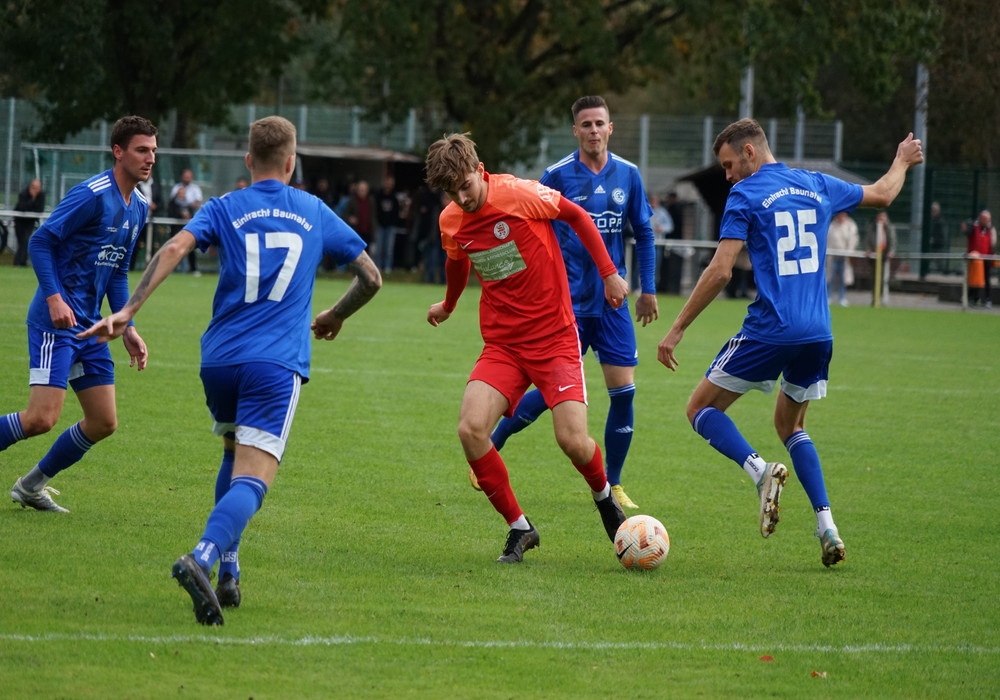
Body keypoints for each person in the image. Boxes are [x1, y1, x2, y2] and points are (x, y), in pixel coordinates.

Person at [80, 115, 382, 625]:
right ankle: (202, 557)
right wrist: (335, 314)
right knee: (256, 478)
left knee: (231, 452)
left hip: (218, 360)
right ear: (292, 163)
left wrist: (129, 310)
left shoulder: (224, 206)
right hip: (274, 363)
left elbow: (175, 247)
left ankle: (230, 566)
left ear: (247, 161)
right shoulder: (313, 210)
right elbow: (371, 277)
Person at [657, 118, 923, 567]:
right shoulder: (816, 184)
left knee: (699, 409)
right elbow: (883, 193)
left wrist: (678, 327)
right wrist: (901, 160)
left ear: (750, 151)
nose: (726, 177)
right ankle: (828, 527)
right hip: (818, 333)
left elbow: (722, 270)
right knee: (791, 427)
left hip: (771, 329)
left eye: (727, 165)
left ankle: (761, 473)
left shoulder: (746, 194)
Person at [424, 132, 629, 564]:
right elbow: (456, 263)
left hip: (554, 337)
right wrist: (448, 304)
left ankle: (604, 495)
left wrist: (609, 272)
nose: (463, 198)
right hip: (503, 343)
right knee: (470, 428)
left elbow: (576, 215)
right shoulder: (452, 221)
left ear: (480, 171)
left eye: (466, 186)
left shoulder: (518, 193)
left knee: (572, 440)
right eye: (452, 192)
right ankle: (520, 528)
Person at [488, 96, 659, 510]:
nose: (594, 131)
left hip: (614, 304)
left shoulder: (630, 176)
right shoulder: (557, 175)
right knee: (551, 393)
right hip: (566, 304)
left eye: (600, 123)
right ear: (576, 131)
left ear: (611, 128)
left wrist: (647, 288)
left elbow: (644, 233)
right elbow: (530, 231)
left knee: (624, 393)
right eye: (586, 125)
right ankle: (495, 441)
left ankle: (614, 483)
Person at [2, 116, 157, 513]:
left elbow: (117, 270)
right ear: (118, 152)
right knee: (40, 419)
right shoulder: (91, 195)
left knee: (103, 421)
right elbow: (40, 241)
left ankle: (30, 486)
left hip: (91, 327)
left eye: (154, 150)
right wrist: (54, 298)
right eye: (142, 150)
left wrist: (127, 325)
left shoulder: (138, 206)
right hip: (56, 323)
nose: (150, 158)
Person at [169, 168, 204, 275]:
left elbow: (198, 203)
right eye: (185, 176)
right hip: (176, 224)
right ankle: (171, 268)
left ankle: (193, 268)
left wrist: (188, 207)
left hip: (190, 223)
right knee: (174, 245)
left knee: (191, 245)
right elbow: (172, 204)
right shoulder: (176, 188)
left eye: (189, 176)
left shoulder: (195, 189)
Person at [131, 169, 163, 270]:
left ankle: (151, 269)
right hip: (138, 220)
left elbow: (162, 203)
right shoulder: (135, 185)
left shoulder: (156, 186)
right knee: (135, 244)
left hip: (151, 221)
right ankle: (131, 267)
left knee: (152, 245)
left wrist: (155, 206)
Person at [826, 211, 859, 306]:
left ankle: (842, 297)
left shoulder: (850, 225)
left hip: (845, 257)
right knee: (830, 277)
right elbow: (828, 239)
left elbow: (853, 239)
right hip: (833, 256)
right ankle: (829, 296)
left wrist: (849, 252)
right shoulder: (832, 225)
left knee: (843, 278)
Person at [965, 209, 997, 308]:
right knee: (974, 280)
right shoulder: (974, 227)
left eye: (988, 219)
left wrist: (992, 255)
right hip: (975, 258)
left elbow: (991, 244)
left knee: (987, 280)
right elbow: (967, 233)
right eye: (985, 219)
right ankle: (972, 298)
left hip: (986, 257)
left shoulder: (990, 229)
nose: (986, 221)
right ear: (981, 218)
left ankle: (987, 299)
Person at [864, 210, 896, 305]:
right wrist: (868, 250)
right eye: (879, 217)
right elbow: (867, 240)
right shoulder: (872, 228)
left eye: (883, 217)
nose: (881, 219)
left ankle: (883, 298)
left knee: (883, 279)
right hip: (874, 257)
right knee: (873, 278)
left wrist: (890, 252)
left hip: (885, 257)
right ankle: (875, 298)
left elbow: (893, 241)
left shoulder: (890, 228)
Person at [13, 179, 45, 267]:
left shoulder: (41, 196)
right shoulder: (24, 194)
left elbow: (39, 210)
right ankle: (20, 261)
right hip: (19, 221)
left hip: (30, 221)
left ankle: (20, 262)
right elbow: (22, 207)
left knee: (25, 240)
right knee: (21, 241)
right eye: (34, 187)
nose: (35, 189)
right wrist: (32, 198)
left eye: (37, 187)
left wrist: (34, 198)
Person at [659, 191, 686, 295]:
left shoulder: (674, 209)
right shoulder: (672, 209)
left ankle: (669, 287)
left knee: (672, 267)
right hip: (670, 242)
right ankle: (666, 287)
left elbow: (672, 228)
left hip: (673, 242)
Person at [374, 174, 401, 274]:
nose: (389, 185)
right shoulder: (379, 195)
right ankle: (378, 267)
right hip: (381, 225)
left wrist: (394, 222)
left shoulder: (394, 196)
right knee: (379, 247)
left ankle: (387, 268)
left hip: (391, 226)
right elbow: (376, 210)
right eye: (388, 182)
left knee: (389, 248)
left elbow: (397, 211)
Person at [649, 192, 674, 291]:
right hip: (644, 243)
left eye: (655, 202)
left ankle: (653, 288)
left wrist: (662, 228)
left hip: (657, 243)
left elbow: (670, 226)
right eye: (651, 201)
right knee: (640, 266)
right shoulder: (644, 211)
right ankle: (638, 287)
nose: (653, 203)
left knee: (655, 267)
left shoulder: (663, 213)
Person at [344, 179, 376, 254]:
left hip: (368, 232)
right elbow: (345, 214)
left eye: (363, 190)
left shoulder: (371, 201)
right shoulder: (352, 201)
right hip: (357, 231)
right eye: (360, 190)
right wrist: (350, 218)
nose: (361, 192)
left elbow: (373, 216)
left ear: (367, 191)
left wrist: (374, 230)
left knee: (367, 254)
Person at [927, 201, 949, 274]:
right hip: (935, 244)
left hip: (939, 245)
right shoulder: (934, 220)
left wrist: (934, 240)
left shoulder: (940, 221)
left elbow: (942, 234)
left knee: (940, 263)